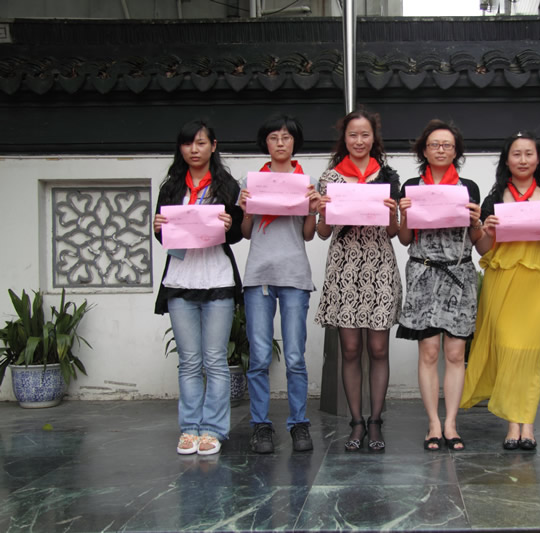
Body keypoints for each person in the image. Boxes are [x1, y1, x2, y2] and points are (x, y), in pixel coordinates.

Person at [460, 131, 540, 450]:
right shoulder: (494, 198)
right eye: (516, 154)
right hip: (503, 278)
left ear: (538, 159)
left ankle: (528, 424)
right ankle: (513, 422)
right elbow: (483, 249)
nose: (523, 160)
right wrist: (484, 229)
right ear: (506, 161)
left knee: (531, 352)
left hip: (539, 281)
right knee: (508, 348)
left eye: (529, 154)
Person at [153, 118, 244, 456]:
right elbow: (164, 235)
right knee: (189, 361)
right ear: (181, 148)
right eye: (188, 143)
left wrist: (230, 223)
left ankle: (213, 429)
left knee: (215, 360)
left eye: (201, 142)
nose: (195, 149)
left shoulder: (226, 185)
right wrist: (158, 227)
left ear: (213, 146)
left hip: (217, 278)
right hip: (181, 279)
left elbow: (237, 235)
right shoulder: (171, 187)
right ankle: (189, 428)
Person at [315, 109, 403, 452]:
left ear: (374, 138)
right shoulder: (330, 178)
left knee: (378, 348)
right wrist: (323, 211)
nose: (359, 141)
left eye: (365, 134)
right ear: (344, 138)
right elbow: (323, 232)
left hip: (379, 265)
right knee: (350, 349)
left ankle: (375, 420)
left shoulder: (387, 176)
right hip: (345, 268)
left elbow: (394, 232)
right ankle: (356, 421)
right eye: (353, 134)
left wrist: (393, 213)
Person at [396, 119, 482, 451]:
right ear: (424, 151)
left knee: (456, 353)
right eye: (434, 144)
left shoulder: (468, 188)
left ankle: (451, 423)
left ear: (456, 151)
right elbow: (405, 239)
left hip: (459, 274)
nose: (441, 150)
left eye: (447, 145)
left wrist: (476, 222)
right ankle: (433, 422)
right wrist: (404, 216)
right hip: (423, 274)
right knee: (429, 351)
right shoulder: (412, 187)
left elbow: (478, 240)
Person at [239, 115, 321, 454]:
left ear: (295, 142)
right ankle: (260, 425)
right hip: (258, 274)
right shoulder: (252, 181)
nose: (280, 143)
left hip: (294, 275)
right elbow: (245, 232)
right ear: (266, 143)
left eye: (286, 137)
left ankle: (299, 423)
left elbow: (308, 235)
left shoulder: (307, 182)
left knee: (295, 356)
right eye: (274, 137)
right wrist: (245, 208)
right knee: (259, 356)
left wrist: (313, 210)